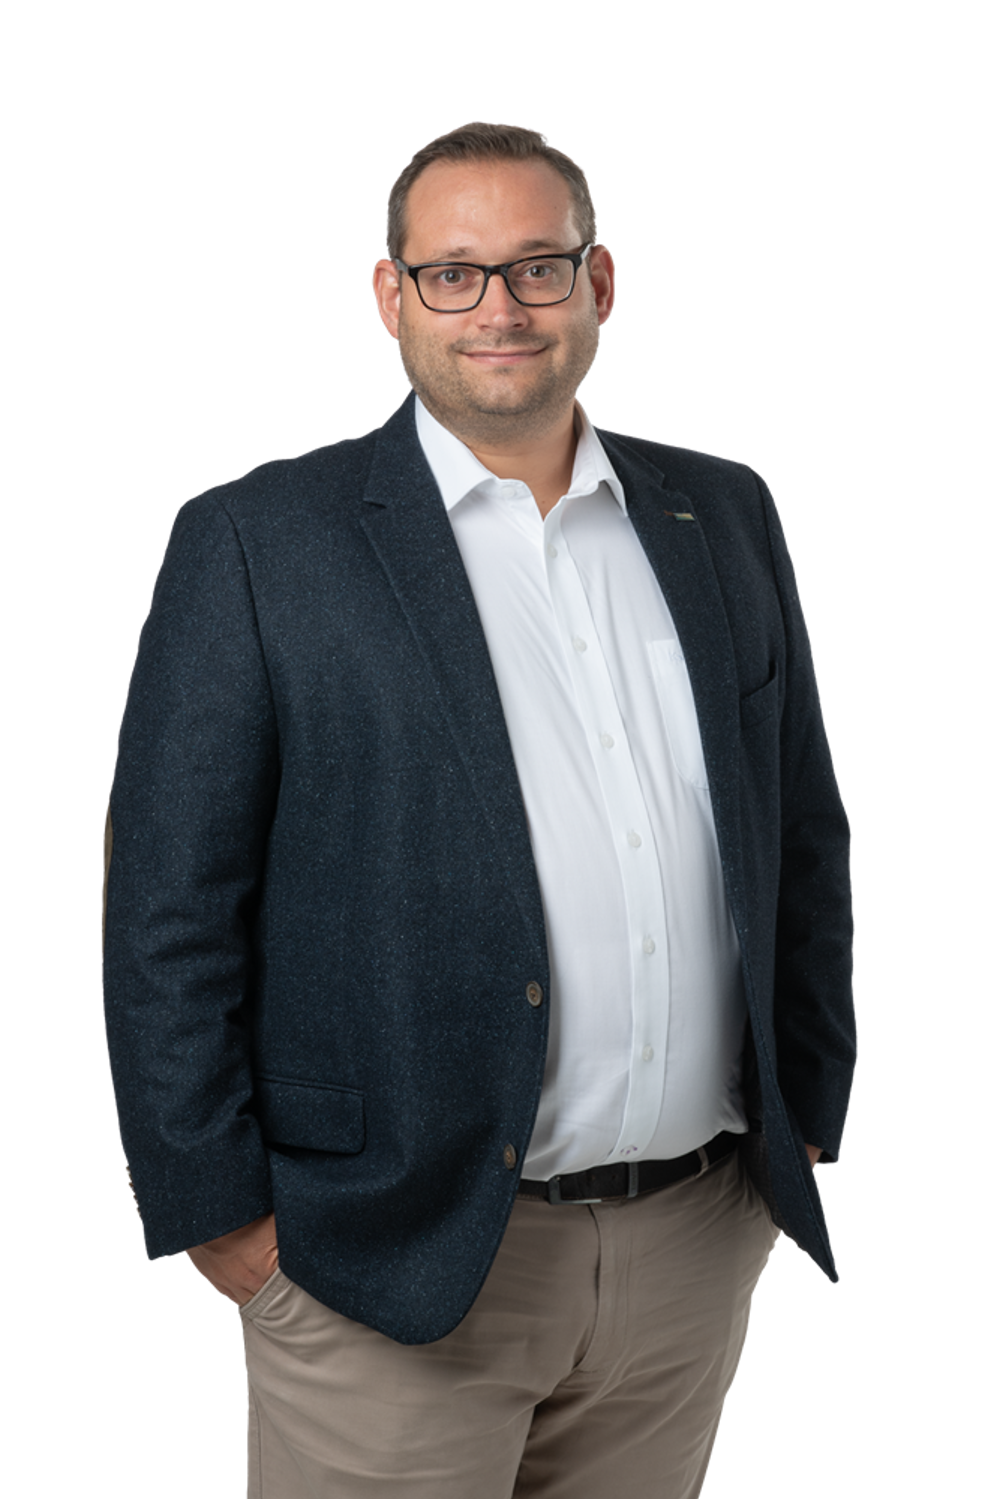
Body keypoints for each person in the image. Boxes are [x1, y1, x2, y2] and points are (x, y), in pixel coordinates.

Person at [100, 120, 856, 1497]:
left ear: (600, 283)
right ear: (390, 296)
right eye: (452, 274)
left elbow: (802, 833)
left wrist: (808, 1114)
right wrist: (225, 1224)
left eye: (535, 268)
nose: (498, 308)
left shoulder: (723, 511)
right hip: (384, 1263)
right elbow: (168, 909)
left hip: (694, 1245)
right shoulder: (257, 540)